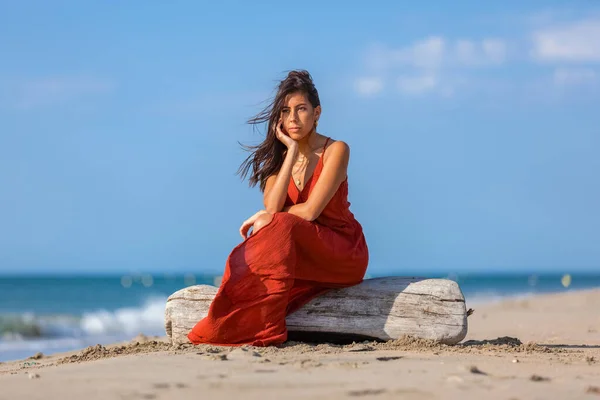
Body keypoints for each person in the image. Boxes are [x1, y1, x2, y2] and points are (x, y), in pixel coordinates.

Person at [187, 70, 369, 346]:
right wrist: (292, 152)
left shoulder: (336, 150)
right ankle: (238, 319)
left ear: (317, 112)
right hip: (303, 254)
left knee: (277, 225)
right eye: (285, 111)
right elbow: (272, 206)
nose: (293, 119)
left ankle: (265, 328)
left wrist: (269, 218)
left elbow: (309, 212)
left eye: (301, 109)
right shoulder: (278, 162)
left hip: (343, 252)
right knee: (274, 229)